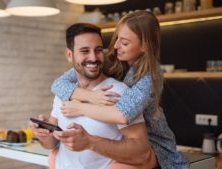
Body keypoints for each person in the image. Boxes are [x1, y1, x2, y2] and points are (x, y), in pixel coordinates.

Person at [51, 11, 189, 169]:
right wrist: (91, 96)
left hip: (153, 145)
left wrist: (80, 107)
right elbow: (58, 84)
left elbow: (122, 114)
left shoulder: (151, 76)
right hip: (123, 141)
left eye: (124, 42)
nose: (115, 46)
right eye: (116, 38)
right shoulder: (109, 58)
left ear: (144, 46)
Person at [30, 22, 157, 169]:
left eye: (98, 50)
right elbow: (51, 144)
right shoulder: (63, 93)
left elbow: (142, 153)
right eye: (85, 51)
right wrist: (43, 135)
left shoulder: (117, 92)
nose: (93, 58)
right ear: (69, 55)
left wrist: (90, 142)